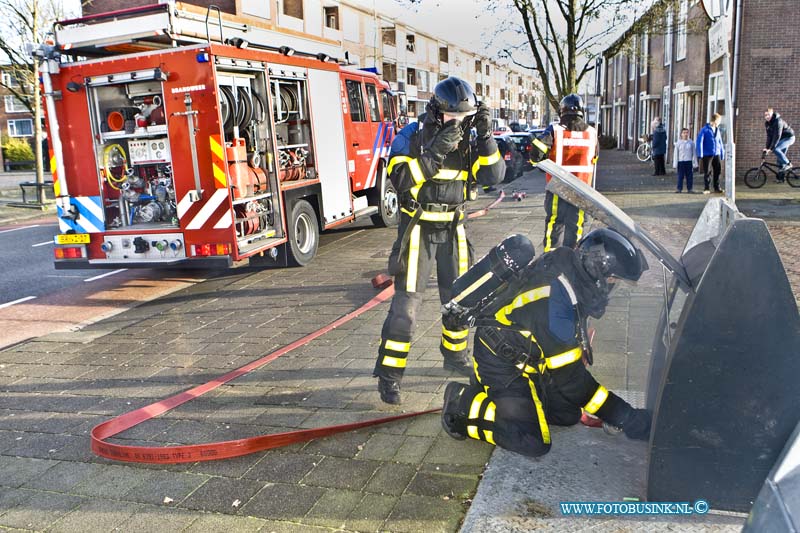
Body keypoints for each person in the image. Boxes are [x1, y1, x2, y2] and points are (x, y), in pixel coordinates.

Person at [440, 229, 652, 456]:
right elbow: (575, 384)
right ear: (596, 270)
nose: (612, 286)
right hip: (500, 364)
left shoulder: (566, 270)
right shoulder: (556, 307)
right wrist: (627, 418)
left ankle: (503, 397)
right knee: (532, 441)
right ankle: (462, 402)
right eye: (612, 280)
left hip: (528, 357)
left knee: (567, 414)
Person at [374, 76, 504, 404]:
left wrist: (486, 138)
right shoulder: (413, 135)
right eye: (451, 118)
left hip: (454, 230)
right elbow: (400, 179)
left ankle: (455, 356)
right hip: (418, 229)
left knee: (460, 302)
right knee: (405, 310)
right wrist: (434, 152)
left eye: (464, 118)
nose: (457, 125)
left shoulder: (470, 140)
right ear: (436, 112)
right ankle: (389, 376)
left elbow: (494, 176)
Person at [532, 94, 598, 252]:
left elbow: (535, 153)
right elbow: (594, 158)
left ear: (562, 111)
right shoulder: (592, 133)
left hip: (557, 190)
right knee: (576, 231)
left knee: (554, 227)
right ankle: (571, 265)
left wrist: (542, 166)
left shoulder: (554, 130)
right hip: (582, 192)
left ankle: (548, 264)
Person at [696, 113, 725, 194]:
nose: (719, 122)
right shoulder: (705, 129)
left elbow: (720, 142)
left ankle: (717, 187)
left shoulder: (717, 130)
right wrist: (700, 153)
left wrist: (722, 152)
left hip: (717, 153)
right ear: (715, 120)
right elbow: (699, 142)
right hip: (707, 154)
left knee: (718, 170)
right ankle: (706, 188)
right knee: (707, 171)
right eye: (719, 120)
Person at [763, 108, 795, 175]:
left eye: (768, 115)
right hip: (782, 139)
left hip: (789, 138)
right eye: (765, 115)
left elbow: (777, 136)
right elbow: (769, 137)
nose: (767, 116)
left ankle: (788, 164)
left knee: (775, 149)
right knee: (779, 160)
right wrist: (767, 148)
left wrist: (771, 149)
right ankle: (781, 178)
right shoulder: (767, 124)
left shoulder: (778, 121)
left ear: (772, 114)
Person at [672, 127, 697, 193]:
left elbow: (694, 153)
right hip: (681, 162)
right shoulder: (678, 143)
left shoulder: (691, 143)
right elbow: (676, 154)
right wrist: (675, 164)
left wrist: (695, 163)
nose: (685, 134)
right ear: (681, 134)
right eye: (684, 133)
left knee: (689, 176)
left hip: (689, 161)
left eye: (687, 133)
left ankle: (690, 189)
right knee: (680, 176)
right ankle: (679, 188)